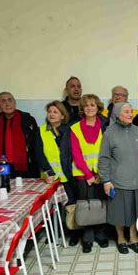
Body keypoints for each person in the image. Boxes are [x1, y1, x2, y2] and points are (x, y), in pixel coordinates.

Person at [98, 102, 138, 254]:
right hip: (119, 181)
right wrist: (106, 181)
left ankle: (133, 238)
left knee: (136, 212)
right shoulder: (109, 133)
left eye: (131, 111)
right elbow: (103, 158)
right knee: (120, 213)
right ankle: (121, 238)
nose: (131, 114)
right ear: (117, 114)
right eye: (127, 112)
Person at [70, 94, 109, 252]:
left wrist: (100, 173)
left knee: (100, 203)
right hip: (82, 174)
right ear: (82, 109)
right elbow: (76, 154)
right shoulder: (75, 128)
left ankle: (100, 235)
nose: (90, 108)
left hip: (101, 173)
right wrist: (88, 175)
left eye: (93, 105)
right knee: (85, 204)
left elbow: (107, 151)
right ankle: (87, 238)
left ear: (98, 107)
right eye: (86, 106)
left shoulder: (105, 126)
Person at [35, 101, 77, 242]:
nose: (52, 114)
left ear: (62, 116)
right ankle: (54, 233)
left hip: (68, 175)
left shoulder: (69, 130)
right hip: (50, 176)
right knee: (53, 205)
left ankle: (72, 233)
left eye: (55, 112)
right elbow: (39, 154)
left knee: (71, 204)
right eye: (50, 112)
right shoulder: (41, 130)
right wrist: (49, 172)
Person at [0, 91, 39, 178]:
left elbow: (35, 142)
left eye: (10, 100)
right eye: (3, 101)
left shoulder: (27, 119)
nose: (7, 103)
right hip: (3, 166)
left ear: (15, 102)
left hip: (25, 165)